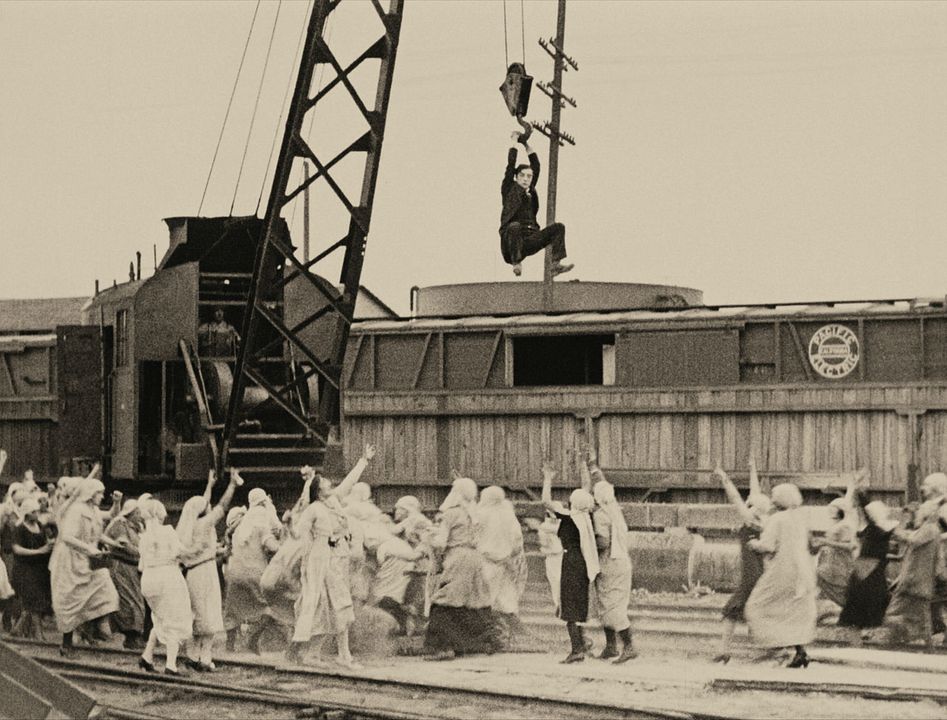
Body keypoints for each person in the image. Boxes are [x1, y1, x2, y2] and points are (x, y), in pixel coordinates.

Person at [288, 445, 376, 669]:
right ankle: (326, 654)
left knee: (337, 606)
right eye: (325, 482)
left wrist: (364, 460)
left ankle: (336, 654)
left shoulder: (335, 500)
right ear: (318, 490)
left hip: (338, 559)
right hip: (322, 561)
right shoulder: (314, 509)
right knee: (328, 605)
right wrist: (288, 524)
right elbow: (298, 532)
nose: (330, 483)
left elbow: (350, 481)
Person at [422, 475, 501, 661]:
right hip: (475, 558)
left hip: (457, 557)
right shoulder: (476, 513)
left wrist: (428, 539)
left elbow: (441, 542)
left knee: (443, 601)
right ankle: (479, 642)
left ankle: (443, 647)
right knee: (473, 601)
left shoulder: (451, 513)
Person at [744, 483, 817, 669]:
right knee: (791, 609)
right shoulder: (801, 518)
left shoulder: (777, 519)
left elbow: (768, 546)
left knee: (756, 606)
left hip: (781, 568)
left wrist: (753, 543)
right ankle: (800, 652)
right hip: (801, 569)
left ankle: (778, 649)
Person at [176, 469, 241, 671]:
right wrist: (232, 485)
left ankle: (193, 655)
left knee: (196, 614)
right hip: (205, 573)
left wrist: (209, 485)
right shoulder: (205, 524)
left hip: (192, 573)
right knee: (210, 615)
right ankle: (205, 657)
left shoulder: (189, 525)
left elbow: (203, 503)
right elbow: (222, 506)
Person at [49, 476, 120, 656]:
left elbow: (110, 517)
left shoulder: (94, 510)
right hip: (70, 561)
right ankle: (66, 644)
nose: (102, 496)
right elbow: (67, 536)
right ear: (90, 494)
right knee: (71, 600)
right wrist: (89, 549)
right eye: (99, 493)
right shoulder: (76, 510)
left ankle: (96, 626)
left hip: (86, 560)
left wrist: (117, 503)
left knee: (104, 587)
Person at [711, 459, 772, 663]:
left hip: (751, 574)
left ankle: (724, 650)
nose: (749, 500)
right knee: (749, 609)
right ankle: (727, 649)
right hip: (760, 571)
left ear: (753, 507)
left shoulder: (749, 519)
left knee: (733, 610)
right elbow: (755, 493)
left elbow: (736, 498)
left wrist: (724, 478)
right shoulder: (763, 521)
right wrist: (753, 468)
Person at [540, 459, 600, 664]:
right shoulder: (586, 517)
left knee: (569, 608)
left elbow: (546, 502)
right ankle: (581, 645)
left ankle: (576, 649)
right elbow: (586, 490)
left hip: (571, 562)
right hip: (583, 563)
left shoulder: (569, 518)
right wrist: (584, 467)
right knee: (579, 605)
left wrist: (547, 479)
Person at [499, 132, 572, 278]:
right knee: (514, 226)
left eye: (529, 176)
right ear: (516, 177)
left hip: (530, 239)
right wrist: (514, 141)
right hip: (512, 242)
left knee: (559, 227)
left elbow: (536, 166)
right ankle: (516, 262)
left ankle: (555, 264)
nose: (526, 179)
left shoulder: (531, 191)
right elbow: (510, 165)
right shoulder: (509, 189)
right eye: (522, 176)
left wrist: (526, 145)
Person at [223, 487, 282, 654]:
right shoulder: (262, 525)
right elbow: (271, 546)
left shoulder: (239, 527)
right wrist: (283, 549)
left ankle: (229, 646)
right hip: (255, 573)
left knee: (232, 609)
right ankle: (253, 639)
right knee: (270, 608)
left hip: (234, 573)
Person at [138, 499, 193, 675]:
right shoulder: (168, 532)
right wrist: (199, 550)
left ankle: (146, 657)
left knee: (160, 618)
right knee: (175, 619)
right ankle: (171, 665)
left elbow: (141, 566)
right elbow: (181, 553)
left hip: (148, 579)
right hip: (167, 577)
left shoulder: (144, 537)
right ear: (160, 515)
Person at [877, 500, 942, 646]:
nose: (917, 513)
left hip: (913, 582)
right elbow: (910, 535)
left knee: (892, 612)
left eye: (920, 510)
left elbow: (911, 539)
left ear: (927, 513)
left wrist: (891, 528)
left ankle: (884, 640)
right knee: (923, 619)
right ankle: (927, 646)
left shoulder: (929, 529)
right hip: (920, 583)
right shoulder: (930, 529)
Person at [589, 463, 636, 664]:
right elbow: (603, 485)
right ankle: (610, 646)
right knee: (610, 604)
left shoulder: (600, 515)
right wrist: (593, 468)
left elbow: (603, 541)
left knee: (610, 606)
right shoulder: (615, 509)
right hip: (622, 561)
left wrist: (587, 544)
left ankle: (628, 645)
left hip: (609, 562)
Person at [477, 485, 528, 648]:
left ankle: (492, 638)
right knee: (506, 600)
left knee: (486, 599)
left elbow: (473, 537)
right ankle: (512, 636)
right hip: (505, 563)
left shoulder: (481, 514)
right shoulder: (508, 515)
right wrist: (507, 556)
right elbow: (517, 542)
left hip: (486, 561)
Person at [838, 495, 897, 634]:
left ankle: (860, 638)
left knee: (859, 608)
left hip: (869, 571)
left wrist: (859, 494)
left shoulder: (878, 528)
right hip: (869, 569)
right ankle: (862, 637)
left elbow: (866, 510)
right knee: (864, 608)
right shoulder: (880, 529)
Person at [814, 474, 860, 622]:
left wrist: (826, 543)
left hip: (839, 562)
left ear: (839, 510)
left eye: (833, 509)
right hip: (830, 560)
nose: (830, 511)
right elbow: (847, 499)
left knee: (838, 588)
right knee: (819, 582)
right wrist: (851, 485)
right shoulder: (839, 523)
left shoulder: (845, 525)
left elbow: (850, 545)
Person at [102, 499, 146, 649]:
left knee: (136, 601)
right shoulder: (120, 524)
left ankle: (135, 635)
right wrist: (145, 554)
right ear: (130, 513)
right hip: (121, 567)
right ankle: (131, 636)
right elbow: (125, 545)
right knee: (129, 601)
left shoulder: (136, 526)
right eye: (138, 512)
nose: (140, 515)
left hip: (133, 568)